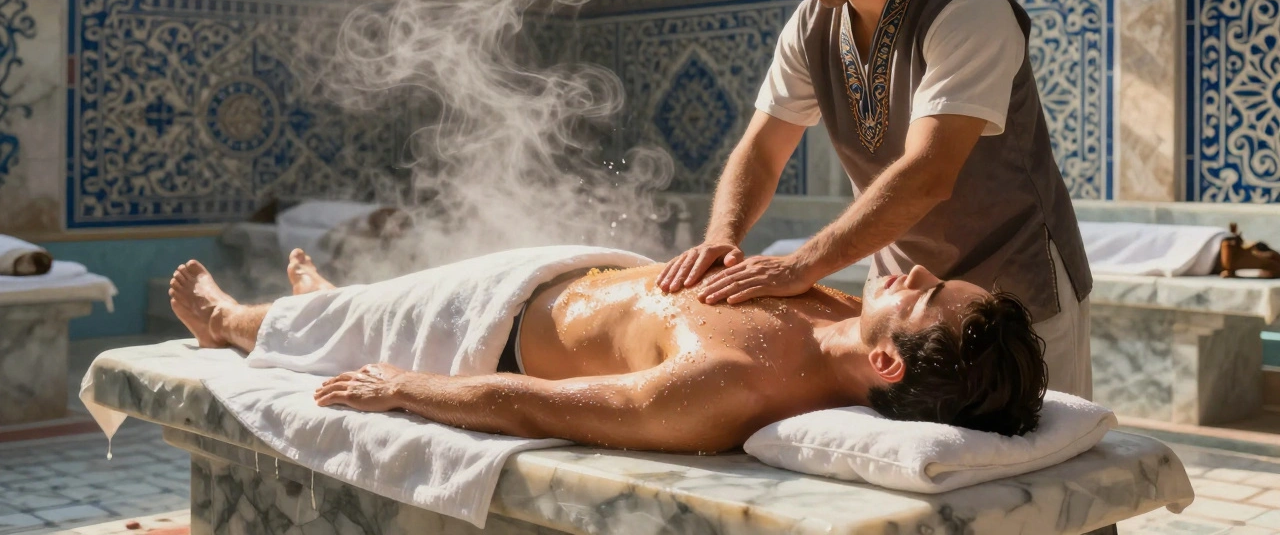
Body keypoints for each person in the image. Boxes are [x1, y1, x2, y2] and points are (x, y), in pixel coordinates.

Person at [658, 0, 1094, 399]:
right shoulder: (810, 25)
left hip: (1016, 290)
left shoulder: (967, 9)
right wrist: (722, 238)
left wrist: (799, 266)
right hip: (899, 302)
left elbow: (930, 172)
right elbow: (763, 151)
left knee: (1038, 468)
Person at [167, 248, 1046, 454]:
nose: (919, 270)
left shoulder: (733, 385)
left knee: (365, 320)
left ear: (888, 366)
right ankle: (336, 309)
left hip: (485, 326)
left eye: (925, 295)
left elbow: (542, 407)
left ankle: (232, 319)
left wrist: (409, 387)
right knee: (359, 307)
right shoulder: (832, 299)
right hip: (562, 265)